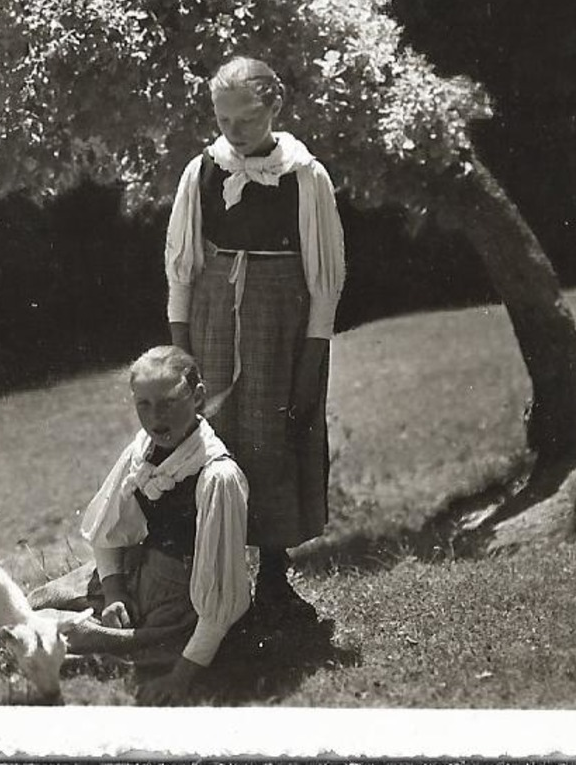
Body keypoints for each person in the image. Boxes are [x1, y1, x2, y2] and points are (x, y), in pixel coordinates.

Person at [164, 55, 345, 628]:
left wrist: (312, 357)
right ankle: (205, 582)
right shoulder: (202, 171)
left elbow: (325, 280)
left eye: (243, 120)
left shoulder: (304, 176)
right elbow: (182, 269)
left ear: (274, 109)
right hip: (213, 319)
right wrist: (180, 354)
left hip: (279, 324)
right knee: (210, 443)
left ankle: (273, 576)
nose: (231, 133)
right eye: (222, 119)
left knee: (273, 435)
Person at [30, 345, 252, 706]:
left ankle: (138, 642)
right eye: (144, 405)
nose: (155, 417)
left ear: (197, 398)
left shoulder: (217, 476)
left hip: (184, 600)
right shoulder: (143, 451)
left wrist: (179, 679)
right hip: (139, 572)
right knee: (33, 608)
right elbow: (109, 526)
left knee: (64, 637)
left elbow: (222, 598)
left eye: (168, 402)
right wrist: (115, 592)